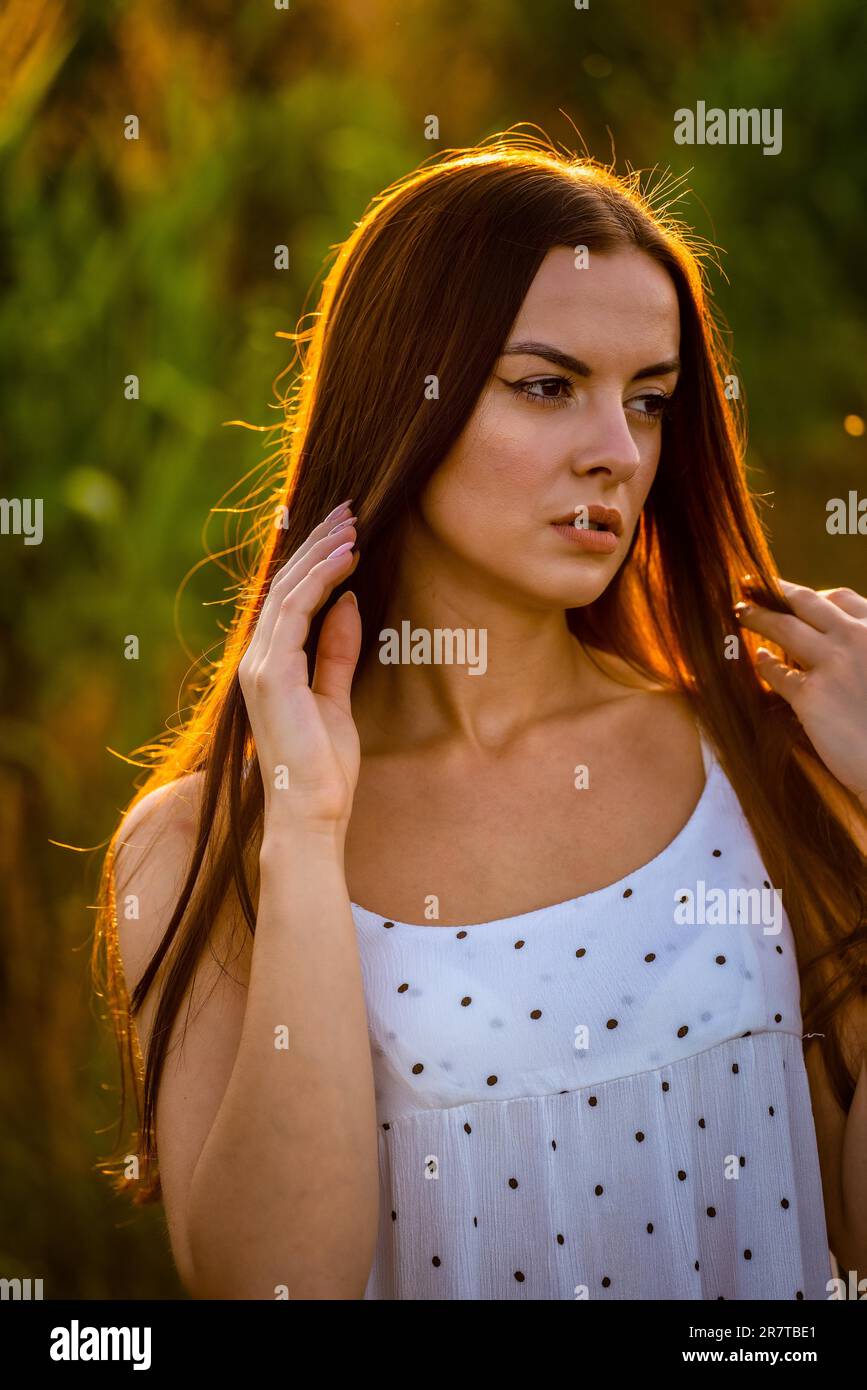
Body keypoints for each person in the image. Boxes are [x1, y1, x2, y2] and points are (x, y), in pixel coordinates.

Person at [94, 134, 867, 1300]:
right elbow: (272, 1287)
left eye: (650, 402)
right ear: (403, 390)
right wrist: (305, 831)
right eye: (547, 386)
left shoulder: (764, 759)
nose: (616, 453)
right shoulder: (199, 847)